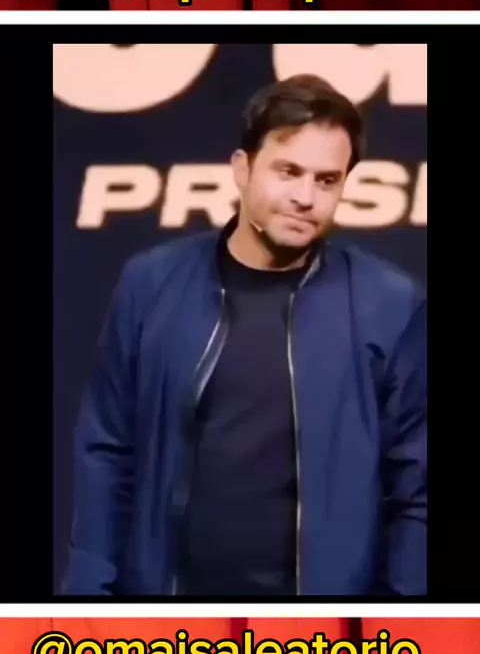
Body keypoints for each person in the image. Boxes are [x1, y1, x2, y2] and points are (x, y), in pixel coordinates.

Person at [63, 73, 427, 597]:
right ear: (242, 168)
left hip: (319, 626)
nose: (305, 197)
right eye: (288, 171)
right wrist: (89, 595)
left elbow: (416, 489)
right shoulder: (151, 283)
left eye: (327, 180)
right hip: (168, 614)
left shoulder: (390, 305)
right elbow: (107, 451)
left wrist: (402, 615)